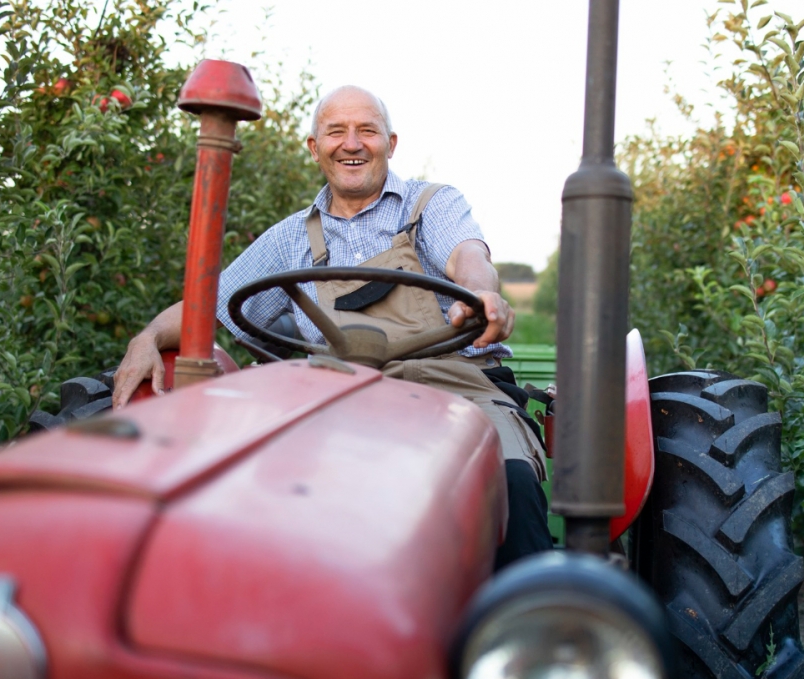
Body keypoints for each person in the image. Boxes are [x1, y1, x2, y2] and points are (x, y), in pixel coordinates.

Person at [111, 85, 551, 569]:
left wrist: (483, 292)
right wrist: (147, 336)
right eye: (336, 131)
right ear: (314, 147)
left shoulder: (430, 205)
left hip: (459, 390)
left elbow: (468, 255)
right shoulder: (289, 238)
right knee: (265, 487)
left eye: (367, 130)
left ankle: (532, 627)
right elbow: (206, 306)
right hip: (344, 400)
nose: (352, 143)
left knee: (510, 480)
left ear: (392, 142)